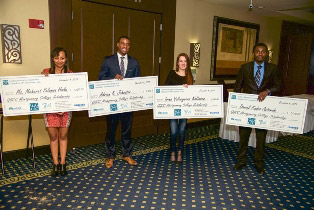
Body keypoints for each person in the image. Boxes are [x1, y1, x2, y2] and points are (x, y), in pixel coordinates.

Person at [233, 42, 281, 174]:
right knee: (243, 136)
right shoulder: (244, 68)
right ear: (253, 53)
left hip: (263, 109)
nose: (260, 53)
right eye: (258, 51)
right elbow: (237, 87)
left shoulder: (273, 68)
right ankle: (241, 161)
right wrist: (235, 104)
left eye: (263, 51)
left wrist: (268, 91)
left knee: (261, 137)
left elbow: (278, 85)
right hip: (247, 108)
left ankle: (259, 162)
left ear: (266, 53)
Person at [98, 36, 140, 168]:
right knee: (111, 130)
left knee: (127, 130)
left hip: (128, 103)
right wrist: (112, 78)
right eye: (123, 43)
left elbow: (137, 82)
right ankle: (110, 156)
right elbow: (100, 78)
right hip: (113, 103)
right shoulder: (108, 61)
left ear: (129, 46)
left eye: (128, 44)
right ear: (118, 44)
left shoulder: (134, 63)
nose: (125, 46)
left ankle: (126, 154)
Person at [42, 47, 73, 176]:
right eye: (56, 58)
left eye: (62, 58)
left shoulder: (71, 74)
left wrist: (64, 107)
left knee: (63, 136)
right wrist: (42, 78)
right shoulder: (46, 73)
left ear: (66, 59)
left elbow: (74, 94)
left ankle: (63, 163)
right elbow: (42, 92)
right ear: (52, 59)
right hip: (50, 110)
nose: (59, 61)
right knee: (53, 136)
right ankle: (55, 163)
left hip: (65, 110)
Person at [164, 53, 193, 163]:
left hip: (184, 109)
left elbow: (192, 94)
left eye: (185, 61)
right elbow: (165, 88)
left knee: (181, 131)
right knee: (174, 131)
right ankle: (172, 151)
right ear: (177, 63)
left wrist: (188, 88)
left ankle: (180, 151)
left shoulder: (189, 75)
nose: (183, 63)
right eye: (181, 61)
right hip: (172, 108)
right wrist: (178, 88)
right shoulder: (172, 73)